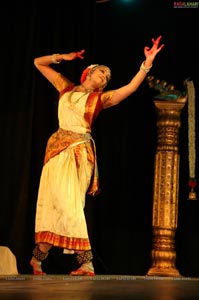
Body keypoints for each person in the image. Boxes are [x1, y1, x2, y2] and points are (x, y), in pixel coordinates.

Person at [30, 36, 164, 276]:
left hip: (79, 153)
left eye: (107, 77)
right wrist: (62, 57)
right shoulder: (65, 88)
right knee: (52, 204)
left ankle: (86, 262)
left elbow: (130, 89)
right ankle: (37, 259)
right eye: (101, 72)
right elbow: (38, 63)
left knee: (70, 204)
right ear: (88, 73)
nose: (104, 77)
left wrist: (147, 64)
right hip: (56, 151)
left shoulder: (99, 99)